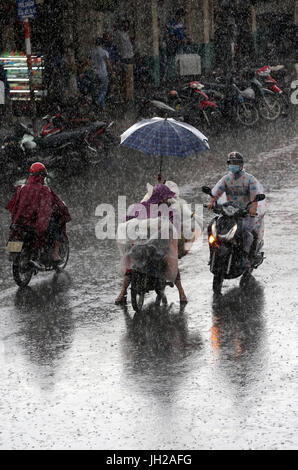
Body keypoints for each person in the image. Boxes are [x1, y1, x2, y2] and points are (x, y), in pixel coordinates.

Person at [115, 184, 188, 305]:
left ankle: (181, 293)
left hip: (160, 245)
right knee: (130, 261)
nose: (166, 200)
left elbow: (174, 225)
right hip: (140, 243)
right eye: (165, 198)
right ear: (159, 197)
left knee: (171, 262)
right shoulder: (141, 207)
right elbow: (127, 218)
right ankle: (122, 293)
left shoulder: (169, 210)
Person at [5, 163, 71, 265]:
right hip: (36, 223)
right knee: (57, 228)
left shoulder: (21, 188)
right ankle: (55, 255)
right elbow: (53, 205)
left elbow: (14, 207)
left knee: (15, 234)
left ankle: (15, 251)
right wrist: (63, 210)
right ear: (42, 176)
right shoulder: (45, 190)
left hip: (20, 223)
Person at [207, 152, 265, 267]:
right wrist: (211, 202)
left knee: (248, 233)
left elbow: (254, 197)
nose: (233, 165)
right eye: (231, 163)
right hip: (229, 213)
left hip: (245, 213)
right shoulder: (226, 179)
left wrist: (253, 208)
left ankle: (247, 257)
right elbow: (216, 193)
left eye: (236, 163)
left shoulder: (250, 179)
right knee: (211, 227)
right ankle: (212, 253)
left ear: (241, 165)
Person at [90, 37, 113, 109]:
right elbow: (108, 63)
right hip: (103, 73)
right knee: (104, 90)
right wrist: (112, 71)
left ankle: (103, 108)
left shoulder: (92, 52)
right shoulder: (104, 52)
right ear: (102, 44)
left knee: (98, 90)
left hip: (94, 73)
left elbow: (88, 61)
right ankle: (98, 101)